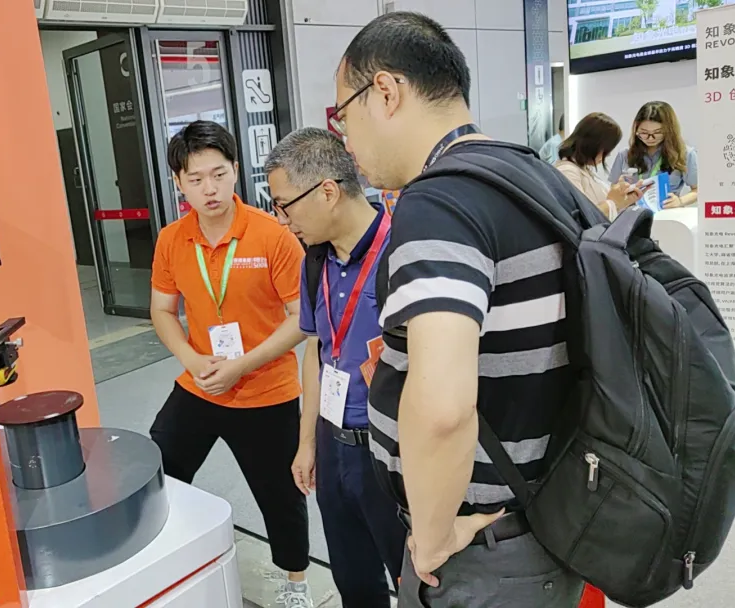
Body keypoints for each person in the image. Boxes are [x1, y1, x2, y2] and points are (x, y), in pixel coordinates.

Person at [330, 11, 585, 606]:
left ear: (385, 92)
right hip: (545, 517)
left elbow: (443, 408)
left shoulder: (439, 202)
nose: (345, 139)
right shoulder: (528, 174)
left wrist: (432, 536)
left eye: (343, 115)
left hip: (484, 550)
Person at [148, 121, 313, 608]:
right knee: (159, 469)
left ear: (236, 170)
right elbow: (162, 310)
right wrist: (191, 357)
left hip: (266, 390)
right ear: (178, 182)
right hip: (199, 385)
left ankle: (296, 583)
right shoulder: (172, 239)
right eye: (196, 179)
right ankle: (171, 561)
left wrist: (243, 365)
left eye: (219, 174)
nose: (210, 189)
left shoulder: (272, 236)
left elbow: (301, 318)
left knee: (281, 495)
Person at [265, 127, 407, 608]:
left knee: (416, 582)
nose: (283, 220)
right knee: (354, 581)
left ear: (327, 191)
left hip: (393, 453)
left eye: (285, 206)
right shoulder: (313, 261)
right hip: (333, 446)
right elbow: (318, 350)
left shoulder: (402, 254)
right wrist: (308, 442)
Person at [555, 112, 647, 218]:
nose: (608, 155)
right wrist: (613, 201)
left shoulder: (583, 170)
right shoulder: (568, 172)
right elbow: (581, 219)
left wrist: (625, 199)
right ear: (593, 145)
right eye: (607, 150)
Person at [609, 101, 698, 208]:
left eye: (657, 132)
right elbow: (613, 190)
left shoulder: (685, 154)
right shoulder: (624, 155)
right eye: (644, 132)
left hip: (667, 213)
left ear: (670, 130)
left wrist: (679, 201)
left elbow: (697, 190)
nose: (650, 138)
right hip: (632, 213)